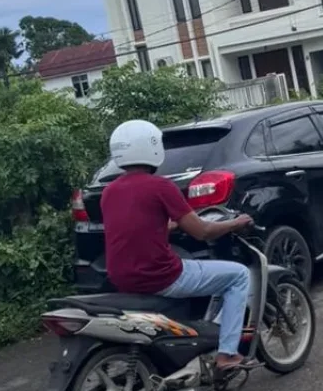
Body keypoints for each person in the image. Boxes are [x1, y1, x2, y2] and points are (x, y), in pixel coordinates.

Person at [101, 119, 259, 371]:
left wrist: (170, 226)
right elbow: (202, 231)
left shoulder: (109, 191)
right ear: (153, 148)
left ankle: (207, 336)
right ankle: (227, 354)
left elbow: (134, 228)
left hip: (121, 277)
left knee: (212, 273)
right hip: (161, 276)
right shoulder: (161, 186)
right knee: (238, 275)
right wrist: (235, 223)